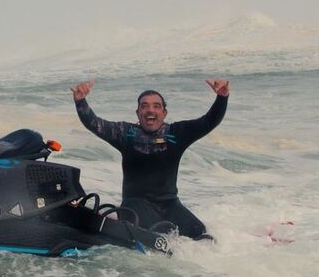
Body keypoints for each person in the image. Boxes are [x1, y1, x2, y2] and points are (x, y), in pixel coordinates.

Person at [70, 79, 229, 240]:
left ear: (164, 113)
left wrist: (222, 98)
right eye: (144, 106)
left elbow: (209, 121)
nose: (150, 110)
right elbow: (95, 123)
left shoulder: (176, 134)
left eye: (156, 106)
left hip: (170, 204)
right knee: (159, 237)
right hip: (135, 203)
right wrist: (80, 100)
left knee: (202, 235)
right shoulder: (126, 133)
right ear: (138, 113)